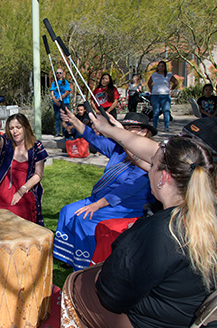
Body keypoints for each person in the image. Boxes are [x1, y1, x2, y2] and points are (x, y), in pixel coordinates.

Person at [65, 114, 217, 328]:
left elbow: (112, 295)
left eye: (151, 165)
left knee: (77, 285)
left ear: (163, 176)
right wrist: (113, 131)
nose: (146, 166)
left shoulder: (162, 231)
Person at [53, 111, 156, 271]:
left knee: (83, 220)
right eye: (125, 127)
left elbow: (126, 190)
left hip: (125, 207)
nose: (126, 130)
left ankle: (85, 265)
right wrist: (74, 120)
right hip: (100, 200)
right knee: (67, 211)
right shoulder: (119, 149)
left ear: (144, 132)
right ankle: (70, 257)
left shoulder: (150, 159)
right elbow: (91, 136)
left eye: (131, 128)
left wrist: (97, 206)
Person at [0, 113, 48, 225]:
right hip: (4, 184)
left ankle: (20, 240)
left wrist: (22, 190)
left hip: (25, 187)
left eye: (18, 127)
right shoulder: (8, 142)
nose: (15, 131)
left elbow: (38, 174)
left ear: (25, 127)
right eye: (11, 128)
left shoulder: (36, 146)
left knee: (19, 210)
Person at [147, 61, 178, 131]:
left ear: (165, 67)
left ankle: (166, 127)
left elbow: (176, 82)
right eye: (159, 66)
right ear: (157, 67)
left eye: (162, 66)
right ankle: (155, 127)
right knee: (156, 112)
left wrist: (171, 89)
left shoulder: (168, 75)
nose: (161, 67)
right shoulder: (154, 75)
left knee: (166, 111)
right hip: (155, 95)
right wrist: (151, 89)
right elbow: (149, 83)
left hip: (165, 95)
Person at [51, 68, 72, 136]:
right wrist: (55, 100)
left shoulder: (65, 82)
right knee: (57, 117)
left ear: (62, 74)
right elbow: (52, 93)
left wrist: (60, 99)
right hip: (56, 103)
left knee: (64, 117)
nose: (59, 74)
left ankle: (65, 131)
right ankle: (58, 132)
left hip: (64, 102)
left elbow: (67, 92)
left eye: (60, 73)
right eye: (57, 73)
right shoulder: (54, 83)